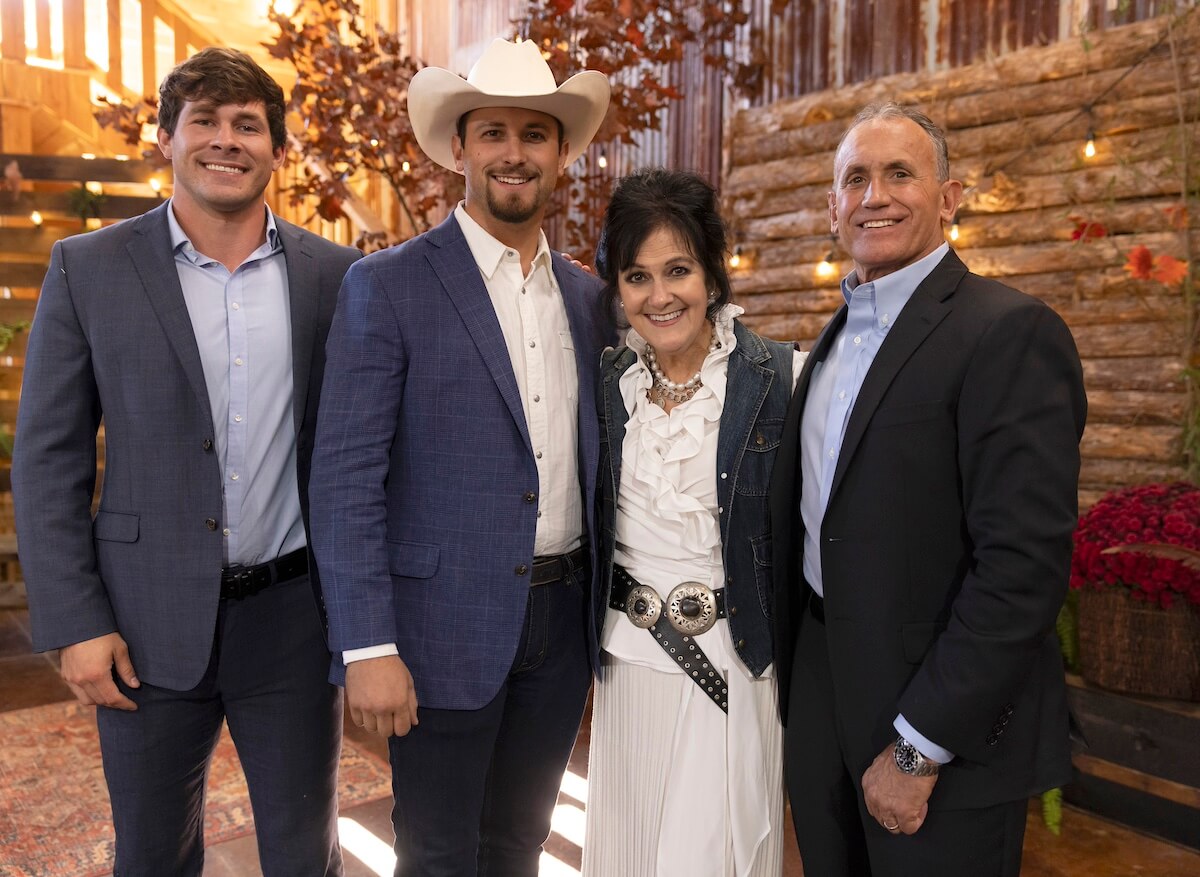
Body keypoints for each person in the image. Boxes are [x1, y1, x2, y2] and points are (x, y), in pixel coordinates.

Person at [11, 47, 360, 876]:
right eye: (204, 120)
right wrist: (76, 622)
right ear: (166, 138)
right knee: (152, 853)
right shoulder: (87, 269)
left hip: (292, 619)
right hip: (141, 620)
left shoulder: (338, 277)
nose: (226, 140)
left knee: (303, 851)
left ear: (278, 148)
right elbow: (48, 456)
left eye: (248, 125)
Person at [307, 38, 612, 876]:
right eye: (494, 133)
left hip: (561, 625)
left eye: (536, 135)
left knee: (518, 845)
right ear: (459, 150)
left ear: (560, 156)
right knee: (438, 852)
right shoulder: (388, 285)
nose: (515, 152)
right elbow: (344, 479)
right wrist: (368, 646)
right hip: (437, 630)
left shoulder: (590, 299)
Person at [768, 102, 1087, 876]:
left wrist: (919, 746)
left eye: (899, 173)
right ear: (834, 208)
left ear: (948, 198)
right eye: (856, 178)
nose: (874, 194)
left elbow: (1020, 569)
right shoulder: (836, 335)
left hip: (938, 727)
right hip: (823, 701)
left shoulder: (1007, 332)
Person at [581, 168, 804, 877]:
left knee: (709, 855)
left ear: (713, 272)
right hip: (628, 668)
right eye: (637, 275)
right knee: (632, 848)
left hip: (737, 666)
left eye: (678, 269)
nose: (659, 294)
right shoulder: (607, 386)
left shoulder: (782, 377)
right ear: (617, 288)